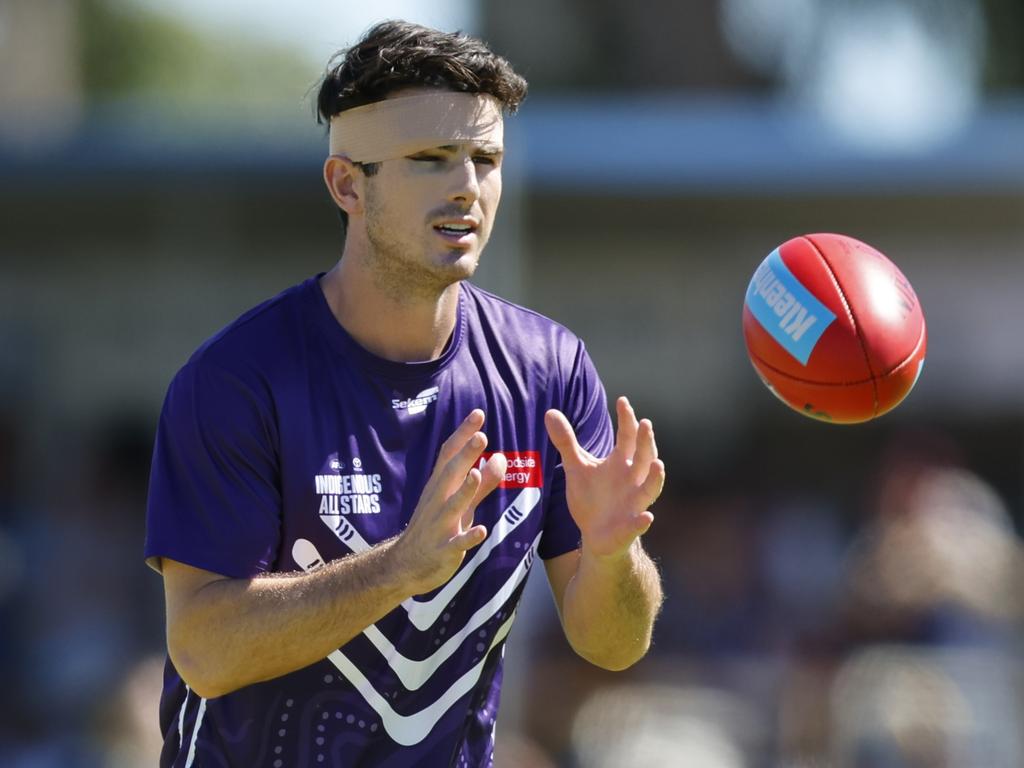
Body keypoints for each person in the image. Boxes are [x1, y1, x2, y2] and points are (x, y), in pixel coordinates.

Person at [145, 20, 664, 767]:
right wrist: (401, 567)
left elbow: (614, 646)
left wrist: (615, 556)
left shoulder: (551, 370)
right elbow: (204, 651)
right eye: (429, 160)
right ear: (347, 184)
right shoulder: (236, 380)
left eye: (485, 160)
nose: (466, 187)